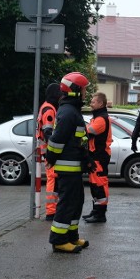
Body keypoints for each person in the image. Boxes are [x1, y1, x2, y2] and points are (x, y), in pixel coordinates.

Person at [45, 72, 92, 253]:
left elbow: (78, 140)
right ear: (74, 91)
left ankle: (71, 236)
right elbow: (57, 141)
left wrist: (87, 159)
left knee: (76, 202)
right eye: (83, 89)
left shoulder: (72, 110)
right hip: (67, 167)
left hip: (75, 166)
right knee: (67, 204)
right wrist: (50, 158)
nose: (85, 92)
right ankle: (58, 240)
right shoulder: (67, 112)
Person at [83, 92, 112, 223]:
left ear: (100, 103)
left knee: (99, 184)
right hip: (95, 156)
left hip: (100, 156)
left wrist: (85, 127)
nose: (91, 104)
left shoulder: (101, 119)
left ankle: (100, 214)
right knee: (95, 185)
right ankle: (96, 211)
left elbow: (88, 132)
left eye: (93, 102)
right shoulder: (98, 117)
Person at [36, 83, 62, 221]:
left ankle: (52, 210)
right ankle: (51, 212)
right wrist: (53, 150)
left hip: (47, 150)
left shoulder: (46, 106)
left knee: (53, 179)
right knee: (53, 180)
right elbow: (48, 132)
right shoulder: (49, 109)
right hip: (49, 151)